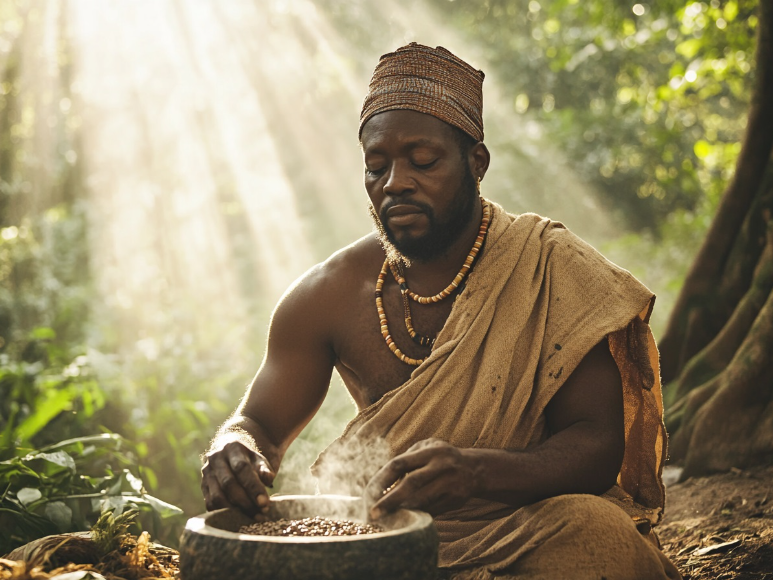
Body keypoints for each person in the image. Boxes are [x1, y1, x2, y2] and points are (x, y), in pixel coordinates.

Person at [200, 42, 682, 579]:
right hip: (383, 538)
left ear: (476, 163)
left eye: (423, 161)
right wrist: (233, 447)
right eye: (376, 166)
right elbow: (259, 423)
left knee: (599, 539)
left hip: (524, 525)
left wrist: (476, 472)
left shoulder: (550, 267)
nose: (395, 183)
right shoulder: (324, 297)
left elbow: (596, 444)